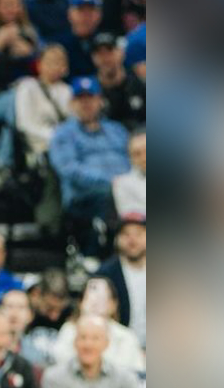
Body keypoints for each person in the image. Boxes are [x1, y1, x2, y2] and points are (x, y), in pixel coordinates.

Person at [49, 77, 129, 254]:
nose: (86, 104)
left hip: (125, 191)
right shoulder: (64, 133)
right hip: (85, 197)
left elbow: (133, 159)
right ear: (72, 103)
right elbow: (68, 169)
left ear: (100, 100)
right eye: (80, 99)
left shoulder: (117, 130)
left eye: (90, 98)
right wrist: (113, 182)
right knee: (107, 197)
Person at [52, 277, 145, 376]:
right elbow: (59, 365)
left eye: (101, 299)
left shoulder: (126, 337)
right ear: (80, 303)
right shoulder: (69, 331)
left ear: (113, 304)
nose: (95, 304)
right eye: (89, 298)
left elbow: (136, 374)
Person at [12, 44, 72, 163]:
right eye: (50, 61)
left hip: (65, 142)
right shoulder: (27, 87)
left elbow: (73, 121)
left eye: (59, 62)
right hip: (38, 144)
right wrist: (53, 136)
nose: (55, 66)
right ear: (39, 64)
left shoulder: (68, 91)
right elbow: (24, 124)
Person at [97, 213, 146, 341]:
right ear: (117, 239)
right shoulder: (105, 274)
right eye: (126, 234)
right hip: (117, 345)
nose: (132, 240)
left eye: (139, 234)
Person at [92, 32, 145, 130]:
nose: (105, 58)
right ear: (93, 58)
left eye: (109, 51)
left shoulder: (139, 86)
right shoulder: (89, 90)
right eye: (100, 54)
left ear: (121, 53)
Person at [60, 0, 104, 78]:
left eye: (91, 11)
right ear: (70, 14)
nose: (86, 16)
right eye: (81, 11)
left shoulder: (108, 43)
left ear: (99, 15)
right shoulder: (60, 43)